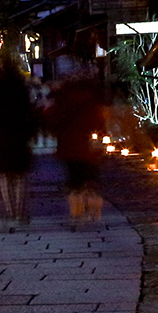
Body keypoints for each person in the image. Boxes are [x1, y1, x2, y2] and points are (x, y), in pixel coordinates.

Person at [45, 73, 107, 220]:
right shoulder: (92, 101)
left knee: (74, 181)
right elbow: (100, 124)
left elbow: (52, 120)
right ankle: (93, 205)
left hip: (69, 148)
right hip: (90, 149)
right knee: (91, 179)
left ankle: (76, 209)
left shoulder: (62, 100)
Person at [0, 62, 36, 223]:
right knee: (19, 176)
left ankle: (9, 210)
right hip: (18, 136)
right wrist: (30, 134)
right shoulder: (20, 90)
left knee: (4, 176)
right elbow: (28, 113)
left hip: (0, 139)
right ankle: (20, 211)